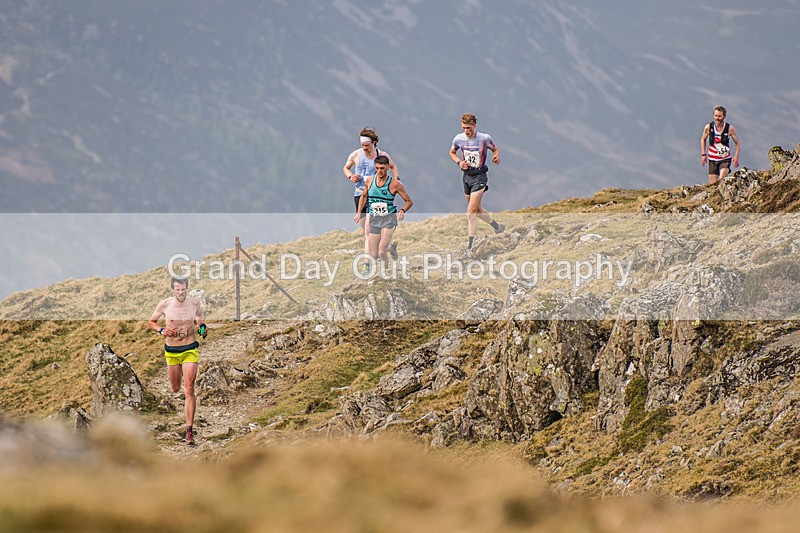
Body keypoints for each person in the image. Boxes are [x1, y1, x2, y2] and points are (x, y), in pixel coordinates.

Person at [148, 277, 207, 446]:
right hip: (172, 351)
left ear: (187, 288)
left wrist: (203, 328)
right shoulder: (164, 305)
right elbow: (151, 322)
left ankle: (189, 432)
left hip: (190, 349)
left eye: (183, 289)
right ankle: (187, 424)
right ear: (173, 290)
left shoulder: (194, 303)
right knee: (175, 388)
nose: (181, 292)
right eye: (178, 290)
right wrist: (161, 330)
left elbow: (200, 319)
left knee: (189, 388)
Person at [343, 127, 401, 267]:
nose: (364, 148)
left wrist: (396, 180)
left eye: (367, 145)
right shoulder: (356, 155)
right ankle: (388, 248)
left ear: (374, 142)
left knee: (369, 229)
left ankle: (367, 263)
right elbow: (345, 168)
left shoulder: (382, 155)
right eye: (362, 145)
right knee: (366, 231)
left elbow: (393, 167)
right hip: (359, 194)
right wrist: (351, 176)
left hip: (375, 196)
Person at [449, 113, 504, 255]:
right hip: (467, 177)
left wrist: (496, 157)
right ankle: (498, 227)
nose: (466, 131)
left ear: (475, 126)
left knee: (470, 213)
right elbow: (452, 152)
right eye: (464, 128)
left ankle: (470, 246)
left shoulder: (484, 138)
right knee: (478, 211)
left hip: (480, 177)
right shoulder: (459, 138)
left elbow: (495, 149)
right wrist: (459, 162)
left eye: (469, 128)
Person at [354, 155, 412, 266]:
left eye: (382, 168)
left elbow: (409, 201)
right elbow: (364, 196)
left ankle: (385, 272)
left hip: (388, 219)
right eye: (377, 168)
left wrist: (402, 211)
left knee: (381, 252)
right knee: (373, 255)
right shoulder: (370, 180)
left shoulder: (395, 184)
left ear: (388, 168)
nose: (379, 171)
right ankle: (391, 249)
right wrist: (358, 213)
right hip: (374, 219)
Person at [701, 106, 741, 184]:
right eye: (715, 116)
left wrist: (736, 156)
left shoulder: (730, 128)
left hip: (725, 158)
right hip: (712, 159)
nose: (717, 118)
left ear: (724, 116)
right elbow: (703, 139)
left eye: (719, 116)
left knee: (722, 179)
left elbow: (737, 143)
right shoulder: (708, 127)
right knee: (713, 185)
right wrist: (703, 154)